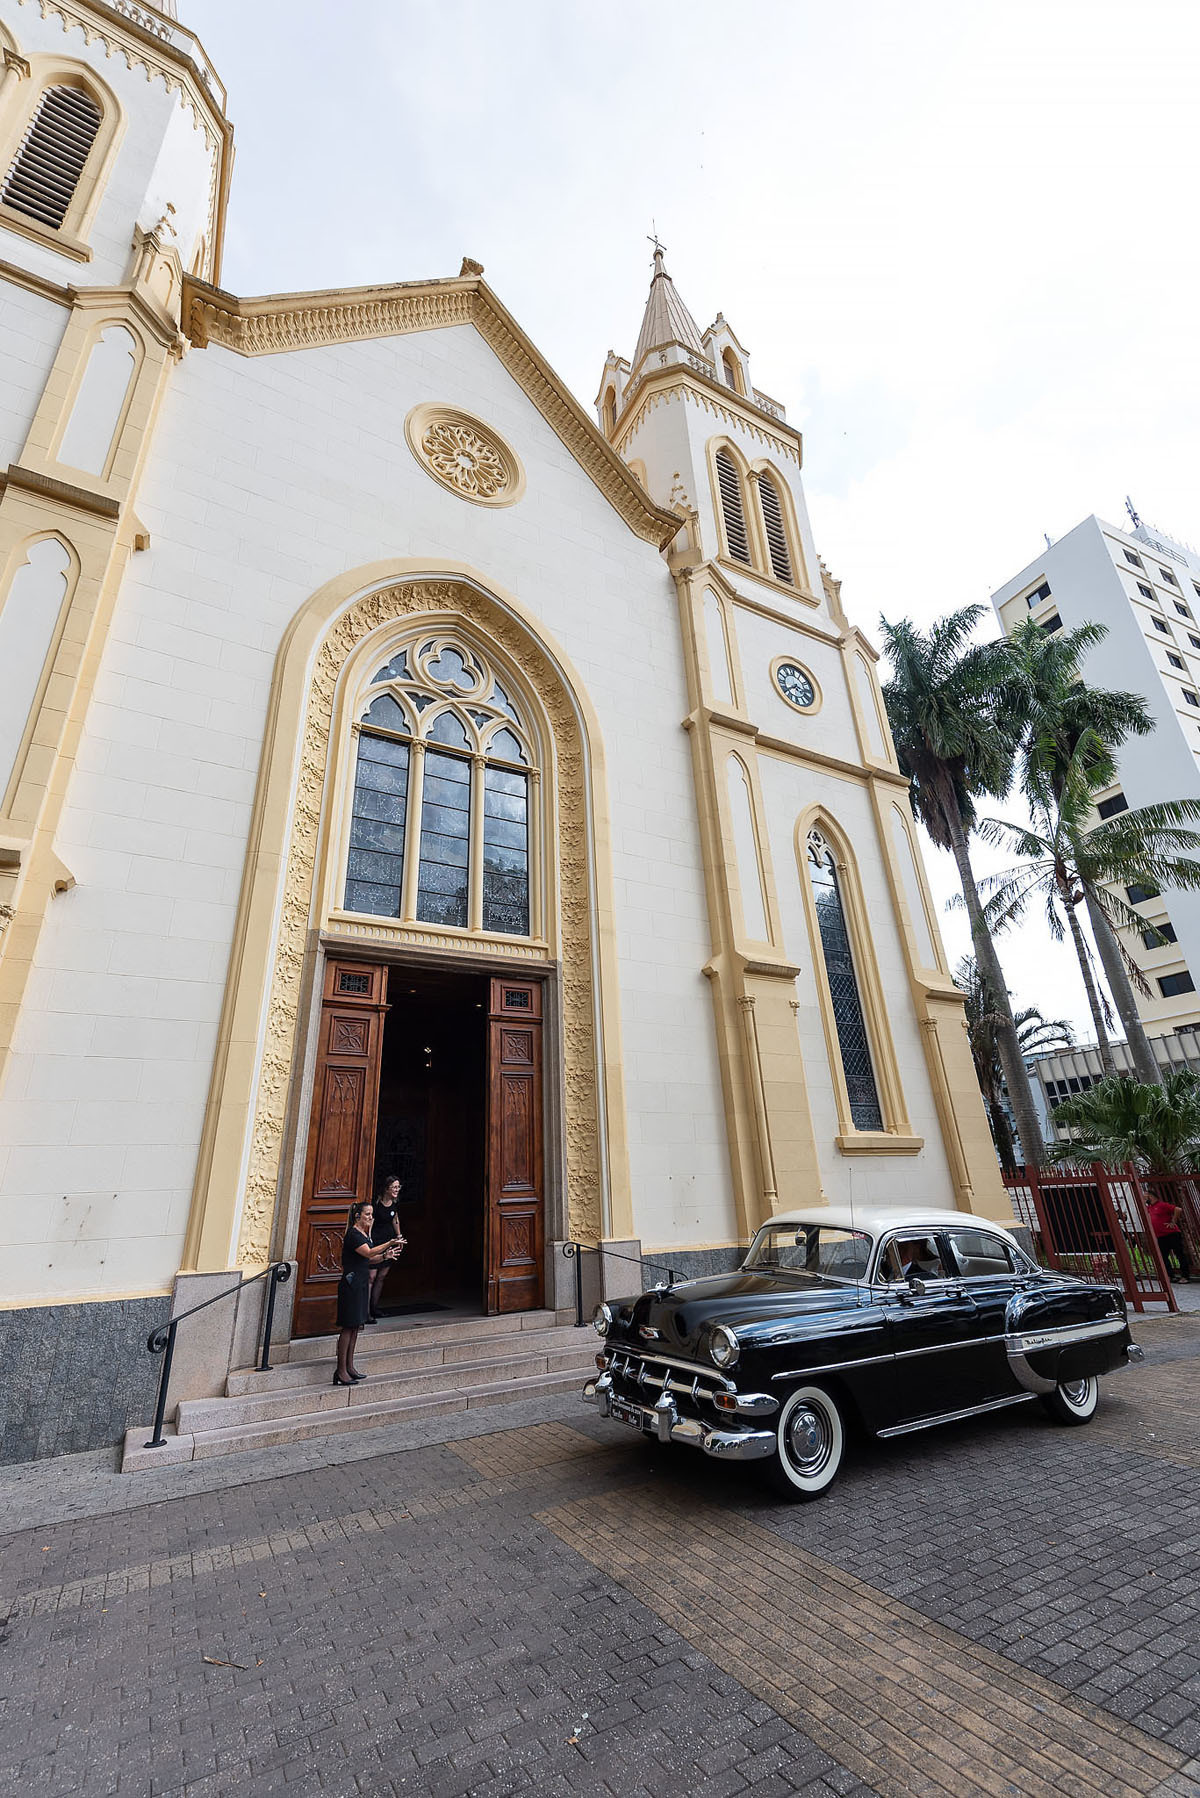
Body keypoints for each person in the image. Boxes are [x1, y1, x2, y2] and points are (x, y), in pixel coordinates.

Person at [335, 1201, 404, 1386]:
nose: (371, 1218)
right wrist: (389, 1242)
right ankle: (341, 1370)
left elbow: (371, 1258)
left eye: (372, 1214)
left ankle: (350, 1367)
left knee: (356, 1326)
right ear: (357, 1216)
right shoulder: (353, 1235)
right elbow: (367, 1253)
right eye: (367, 1214)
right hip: (351, 1284)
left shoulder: (365, 1234)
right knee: (348, 1327)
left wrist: (384, 1257)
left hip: (360, 1283)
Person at [368, 1173, 404, 1322]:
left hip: (389, 1241)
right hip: (376, 1241)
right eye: (394, 1187)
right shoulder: (376, 1204)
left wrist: (399, 1237)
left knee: (382, 1276)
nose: (397, 1189)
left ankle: (374, 1308)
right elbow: (370, 1222)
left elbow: (395, 1219)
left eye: (398, 1187)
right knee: (371, 1276)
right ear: (387, 1189)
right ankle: (365, 1313)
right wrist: (368, 1239)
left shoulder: (394, 1203)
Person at [1147, 1193, 1193, 1283]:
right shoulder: (1149, 1207)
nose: (1145, 1198)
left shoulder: (1162, 1205)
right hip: (1160, 1236)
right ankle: (1170, 1275)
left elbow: (1178, 1209)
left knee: (1179, 1254)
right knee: (1163, 1257)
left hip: (1171, 1234)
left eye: (1146, 1196)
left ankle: (1185, 1276)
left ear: (1152, 1196)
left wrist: (1173, 1222)